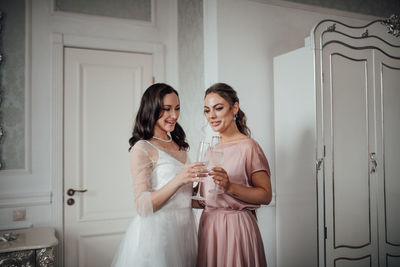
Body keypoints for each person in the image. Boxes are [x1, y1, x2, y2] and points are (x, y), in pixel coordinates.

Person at [112, 83, 206, 267]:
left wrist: (207, 189)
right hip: (157, 236)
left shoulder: (178, 145)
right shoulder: (142, 148)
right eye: (167, 109)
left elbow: (183, 197)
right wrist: (180, 179)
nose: (174, 115)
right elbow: (142, 206)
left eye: (177, 108)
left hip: (183, 232)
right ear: (151, 110)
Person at [196, 83, 272, 267]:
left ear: (234, 108)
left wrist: (229, 187)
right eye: (207, 110)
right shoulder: (210, 150)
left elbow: (266, 195)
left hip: (237, 229)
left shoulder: (249, 147)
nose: (211, 116)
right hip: (209, 228)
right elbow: (202, 200)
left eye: (218, 108)